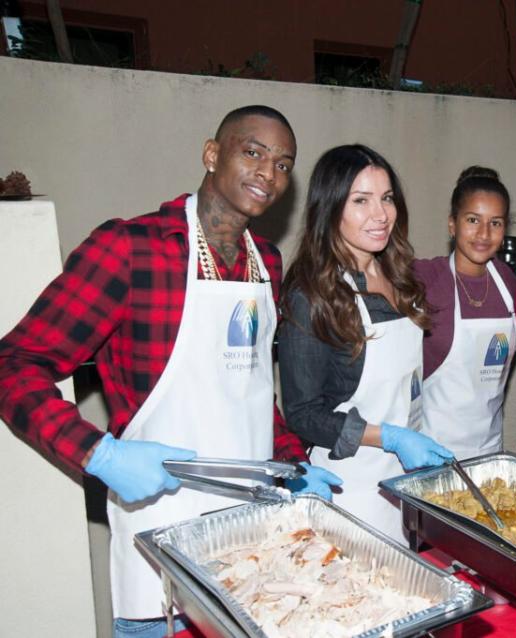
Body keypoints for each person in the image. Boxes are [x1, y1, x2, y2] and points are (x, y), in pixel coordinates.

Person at [0, 105, 341, 637]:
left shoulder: (267, 263)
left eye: (283, 164)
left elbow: (249, 391)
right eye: (252, 152)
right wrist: (97, 453)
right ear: (211, 154)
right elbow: (15, 363)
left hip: (251, 545)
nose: (267, 173)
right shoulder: (130, 249)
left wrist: (291, 465)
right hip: (159, 535)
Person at [278, 144, 453, 543]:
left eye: (387, 198)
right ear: (331, 208)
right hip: (349, 491)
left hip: (402, 483)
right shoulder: (311, 296)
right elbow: (303, 414)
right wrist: (390, 437)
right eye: (361, 200)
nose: (381, 214)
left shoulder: (399, 277)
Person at [414, 167, 516, 459]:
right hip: (429, 449)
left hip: (488, 449)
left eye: (495, 223)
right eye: (473, 220)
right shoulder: (425, 278)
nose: (484, 234)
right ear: (452, 224)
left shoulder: (509, 283)